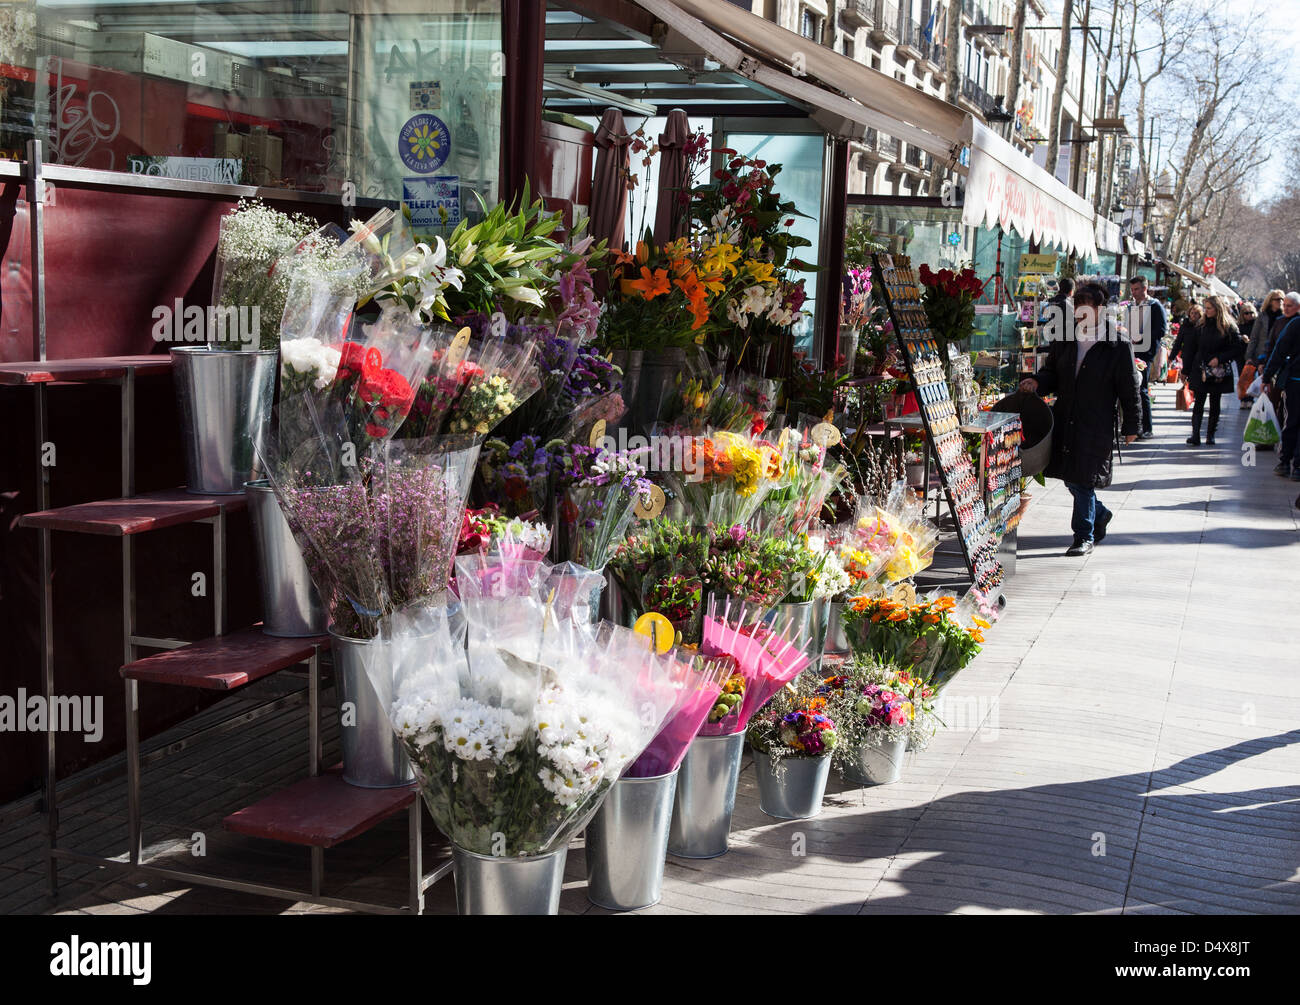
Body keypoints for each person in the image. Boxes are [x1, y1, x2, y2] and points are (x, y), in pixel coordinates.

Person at [1019, 281, 1141, 557]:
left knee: (1083, 479)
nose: (1079, 314)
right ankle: (1100, 513)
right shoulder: (1065, 339)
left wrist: (1132, 426)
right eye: (1077, 308)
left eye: (1085, 308)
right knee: (1072, 478)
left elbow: (1129, 388)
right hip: (1066, 416)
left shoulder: (1116, 345)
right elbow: (1052, 373)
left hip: (1096, 421)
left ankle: (1082, 536)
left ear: (1100, 310)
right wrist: (1037, 382)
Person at [1170, 295, 1239, 445]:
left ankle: (1211, 435)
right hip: (1199, 368)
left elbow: (1236, 349)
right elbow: (1190, 349)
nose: (1206, 311)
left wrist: (1220, 358)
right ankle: (1195, 435)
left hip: (1218, 371)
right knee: (1199, 402)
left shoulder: (1229, 327)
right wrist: (1185, 370)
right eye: (1205, 308)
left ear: (1217, 309)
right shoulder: (1200, 326)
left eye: (1209, 308)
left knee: (1215, 402)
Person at [1262, 303, 1300, 479]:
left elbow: (1279, 350)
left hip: (1295, 381)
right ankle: (1295, 465)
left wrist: (1267, 377)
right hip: (1294, 380)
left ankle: (1286, 462)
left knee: (1292, 421)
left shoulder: (1295, 324)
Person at [1124, 275, 1166, 438]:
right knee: (1132, 389)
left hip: (1146, 352)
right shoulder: (1131, 306)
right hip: (1131, 350)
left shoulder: (1155, 306)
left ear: (1145, 288)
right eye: (1132, 289)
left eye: (1136, 289)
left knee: (1141, 390)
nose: (1133, 293)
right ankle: (1135, 426)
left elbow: (1161, 330)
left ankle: (1147, 427)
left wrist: (1142, 336)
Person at [1236, 301, 1259, 408]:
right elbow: (1234, 337)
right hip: (1241, 354)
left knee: (1251, 377)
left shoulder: (1257, 324)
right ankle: (1243, 399)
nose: (1249, 315)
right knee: (1242, 377)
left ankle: (1250, 399)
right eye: (1246, 313)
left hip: (1253, 354)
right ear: (1242, 314)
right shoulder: (1239, 325)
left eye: (1251, 312)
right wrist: (1242, 338)